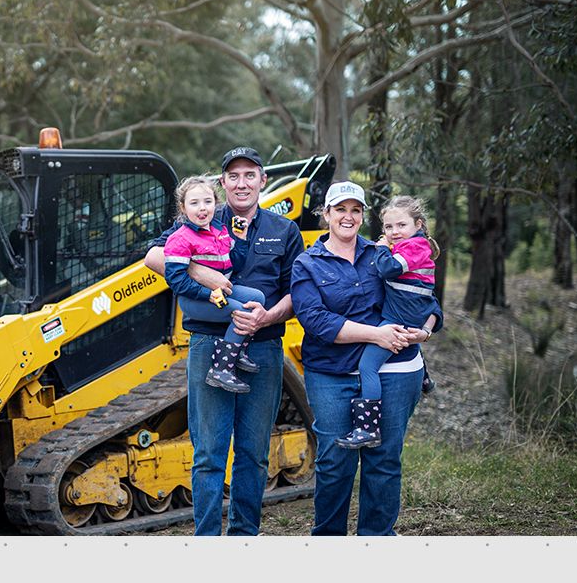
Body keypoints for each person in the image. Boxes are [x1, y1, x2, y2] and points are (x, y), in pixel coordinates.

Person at [144, 146, 304, 536]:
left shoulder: (284, 230)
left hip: (263, 347)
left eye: (250, 174)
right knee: (209, 454)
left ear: (263, 180)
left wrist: (267, 316)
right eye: (233, 176)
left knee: (252, 453)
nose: (242, 183)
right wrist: (203, 273)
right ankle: (207, 541)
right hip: (209, 344)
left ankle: (244, 537)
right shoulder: (202, 218)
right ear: (223, 183)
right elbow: (152, 256)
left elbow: (297, 292)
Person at [290, 181, 441, 536]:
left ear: (362, 216)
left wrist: (426, 330)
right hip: (332, 373)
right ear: (326, 215)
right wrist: (376, 334)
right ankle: (328, 540)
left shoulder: (383, 254)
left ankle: (376, 540)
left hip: (391, 370)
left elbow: (427, 300)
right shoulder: (307, 263)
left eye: (355, 210)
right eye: (339, 209)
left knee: (383, 458)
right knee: (335, 460)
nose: (348, 216)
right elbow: (315, 320)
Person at [337, 195, 441, 449]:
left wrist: (381, 247)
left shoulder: (415, 247)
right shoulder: (412, 245)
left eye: (401, 226)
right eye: (388, 227)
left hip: (398, 320)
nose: (394, 232)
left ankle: (367, 427)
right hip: (407, 314)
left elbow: (388, 270)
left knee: (368, 367)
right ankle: (426, 378)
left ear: (418, 225)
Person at [162, 174, 265, 393]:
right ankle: (221, 369)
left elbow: (235, 264)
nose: (202, 208)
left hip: (219, 291)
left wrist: (241, 238)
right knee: (240, 312)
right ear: (183, 207)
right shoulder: (180, 238)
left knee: (257, 298)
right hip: (196, 298)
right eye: (194, 203)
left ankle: (237, 351)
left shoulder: (220, 230)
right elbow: (176, 280)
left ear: (215, 204)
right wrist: (207, 294)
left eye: (207, 202)